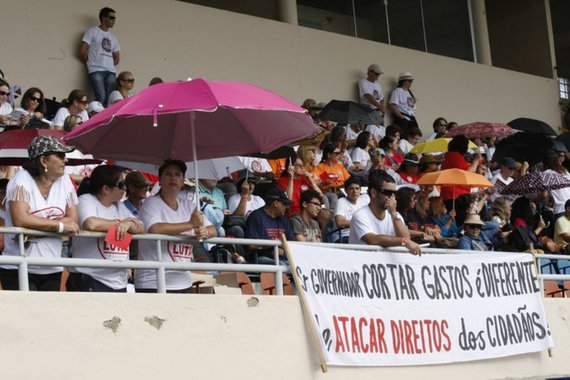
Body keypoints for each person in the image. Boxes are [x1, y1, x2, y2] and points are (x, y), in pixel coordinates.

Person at [0, 136, 80, 291]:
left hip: (52, 267)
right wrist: (59, 226)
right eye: (60, 156)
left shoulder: (65, 181)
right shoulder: (20, 179)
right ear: (43, 161)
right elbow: (21, 219)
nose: (66, 160)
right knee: (25, 315)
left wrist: (35, 231)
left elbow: (73, 220)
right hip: (18, 267)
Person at [135, 159, 216, 293]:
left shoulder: (189, 205)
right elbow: (155, 228)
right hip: (153, 281)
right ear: (159, 180)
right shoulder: (151, 203)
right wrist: (190, 224)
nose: (173, 178)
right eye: (168, 174)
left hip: (183, 281)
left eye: (178, 174)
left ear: (183, 180)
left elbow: (213, 229)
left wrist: (204, 232)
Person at [67, 165, 144, 292]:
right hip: (91, 278)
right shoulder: (86, 199)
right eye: (121, 184)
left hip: (118, 281)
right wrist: (120, 223)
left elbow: (141, 227)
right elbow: (91, 224)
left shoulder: (118, 205)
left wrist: (128, 224)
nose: (125, 188)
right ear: (106, 189)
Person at [349, 170, 421, 255]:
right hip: (362, 263)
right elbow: (372, 239)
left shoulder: (395, 215)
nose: (392, 197)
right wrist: (403, 241)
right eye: (388, 193)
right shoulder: (360, 215)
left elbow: (406, 238)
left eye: (394, 193)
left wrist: (394, 214)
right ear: (374, 192)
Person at [79, 7, 121, 105]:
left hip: (110, 72)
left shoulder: (113, 37)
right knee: (101, 97)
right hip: (96, 70)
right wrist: (91, 63)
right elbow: (82, 51)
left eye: (114, 18)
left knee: (110, 99)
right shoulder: (92, 31)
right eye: (111, 18)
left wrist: (109, 64)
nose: (114, 20)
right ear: (103, 18)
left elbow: (117, 58)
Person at [244, 187, 295, 265]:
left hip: (282, 257)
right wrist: (272, 244)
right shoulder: (256, 216)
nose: (287, 207)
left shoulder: (284, 220)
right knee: (282, 265)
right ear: (276, 203)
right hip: (260, 258)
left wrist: (282, 249)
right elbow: (251, 245)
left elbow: (292, 243)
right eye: (284, 204)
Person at [333, 177, 369, 243]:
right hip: (344, 235)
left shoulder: (364, 199)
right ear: (346, 190)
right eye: (351, 189)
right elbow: (340, 222)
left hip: (361, 234)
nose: (354, 191)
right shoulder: (341, 201)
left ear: (360, 190)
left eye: (357, 188)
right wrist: (361, 223)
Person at [388, 72, 417, 137]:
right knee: (404, 137)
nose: (410, 83)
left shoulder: (409, 92)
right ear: (403, 81)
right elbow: (392, 106)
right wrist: (401, 117)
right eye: (409, 81)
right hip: (403, 119)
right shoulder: (397, 91)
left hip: (411, 118)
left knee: (414, 136)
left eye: (411, 81)